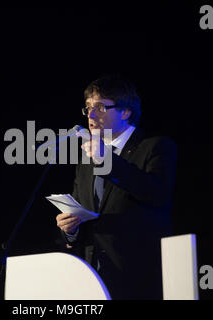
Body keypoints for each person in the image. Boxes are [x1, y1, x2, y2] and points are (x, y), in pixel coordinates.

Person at [56, 74, 177, 299]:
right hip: (93, 279)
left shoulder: (156, 147)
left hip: (140, 277)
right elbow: (84, 215)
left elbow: (156, 193)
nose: (91, 115)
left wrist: (107, 161)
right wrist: (70, 230)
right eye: (88, 107)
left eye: (100, 107)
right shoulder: (86, 161)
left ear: (126, 111)